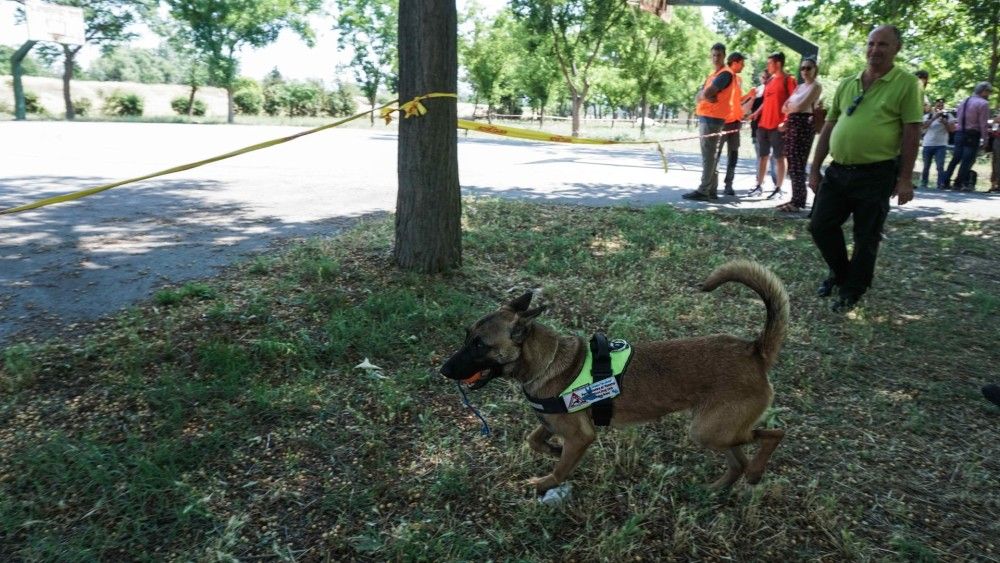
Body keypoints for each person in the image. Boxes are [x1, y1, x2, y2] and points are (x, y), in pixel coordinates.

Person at [807, 25, 923, 313]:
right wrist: (814, 168)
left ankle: (852, 289)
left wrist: (905, 178)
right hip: (838, 170)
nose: (875, 50)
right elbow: (830, 126)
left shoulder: (906, 84)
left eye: (883, 44)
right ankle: (842, 273)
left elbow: (911, 132)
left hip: (877, 172)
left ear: (896, 49)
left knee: (866, 236)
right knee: (820, 226)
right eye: (871, 44)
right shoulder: (848, 83)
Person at [683, 43, 737, 201]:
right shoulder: (715, 74)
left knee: (709, 156)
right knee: (712, 155)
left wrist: (704, 94)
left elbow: (707, 92)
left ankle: (703, 190)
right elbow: (706, 94)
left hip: (712, 118)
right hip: (709, 117)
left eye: (718, 55)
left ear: (724, 56)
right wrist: (705, 95)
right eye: (713, 55)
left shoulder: (725, 74)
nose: (715, 58)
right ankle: (711, 190)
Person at [777, 55, 823, 212]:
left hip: (804, 124)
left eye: (808, 68)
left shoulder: (816, 86)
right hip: (793, 123)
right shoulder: (799, 87)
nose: (804, 71)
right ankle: (795, 198)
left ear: (815, 70)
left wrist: (792, 106)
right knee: (791, 161)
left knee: (798, 163)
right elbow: (784, 107)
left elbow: (800, 106)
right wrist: (792, 107)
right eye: (802, 68)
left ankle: (799, 201)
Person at [749, 51, 797, 199]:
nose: (767, 66)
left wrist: (786, 121)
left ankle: (778, 189)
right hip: (763, 125)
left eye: (769, 63)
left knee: (779, 158)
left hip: (778, 126)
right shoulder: (769, 81)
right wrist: (756, 113)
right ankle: (759, 186)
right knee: (762, 156)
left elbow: (795, 102)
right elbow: (766, 101)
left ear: (778, 64)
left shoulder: (788, 80)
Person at [942, 82, 993, 191]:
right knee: (967, 160)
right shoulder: (983, 104)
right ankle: (958, 183)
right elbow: (983, 124)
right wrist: (985, 139)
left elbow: (959, 118)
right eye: (988, 92)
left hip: (959, 132)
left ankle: (944, 181)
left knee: (956, 158)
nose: (989, 94)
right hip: (972, 134)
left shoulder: (964, 101)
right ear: (984, 91)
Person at [714, 52, 746, 197]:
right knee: (716, 154)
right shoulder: (724, 75)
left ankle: (729, 184)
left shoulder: (738, 79)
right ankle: (711, 184)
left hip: (735, 123)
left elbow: (738, 100)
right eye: (742, 63)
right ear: (735, 62)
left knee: (733, 154)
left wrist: (750, 95)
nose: (744, 66)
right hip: (722, 122)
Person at [746, 70, 778, 190]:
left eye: (768, 77)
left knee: (774, 157)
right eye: (763, 77)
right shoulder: (757, 91)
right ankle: (759, 183)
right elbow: (748, 109)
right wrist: (752, 98)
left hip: (772, 128)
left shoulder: (774, 91)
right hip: (757, 129)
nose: (765, 79)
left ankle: (777, 185)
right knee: (760, 157)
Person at [920, 98, 956, 190]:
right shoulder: (928, 116)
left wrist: (945, 123)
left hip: (941, 145)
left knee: (940, 166)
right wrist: (934, 118)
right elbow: (923, 127)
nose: (939, 108)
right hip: (928, 144)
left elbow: (952, 130)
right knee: (926, 166)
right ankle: (924, 183)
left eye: (941, 106)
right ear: (934, 107)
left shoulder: (948, 116)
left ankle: (940, 184)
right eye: (938, 106)